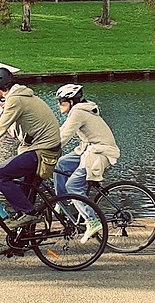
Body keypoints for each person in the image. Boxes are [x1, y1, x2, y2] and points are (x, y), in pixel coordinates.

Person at [0, 67, 61, 253]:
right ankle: (18, 243)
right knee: (23, 197)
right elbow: (15, 132)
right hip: (43, 150)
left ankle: (30, 214)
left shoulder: (15, 99)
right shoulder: (20, 97)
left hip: (42, 153)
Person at [54, 84, 120, 244]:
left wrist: (45, 149)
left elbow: (63, 137)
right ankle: (62, 205)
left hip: (99, 153)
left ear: (71, 101)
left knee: (73, 186)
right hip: (88, 150)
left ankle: (92, 221)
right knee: (60, 165)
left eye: (61, 101)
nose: (58, 104)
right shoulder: (82, 109)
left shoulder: (77, 113)